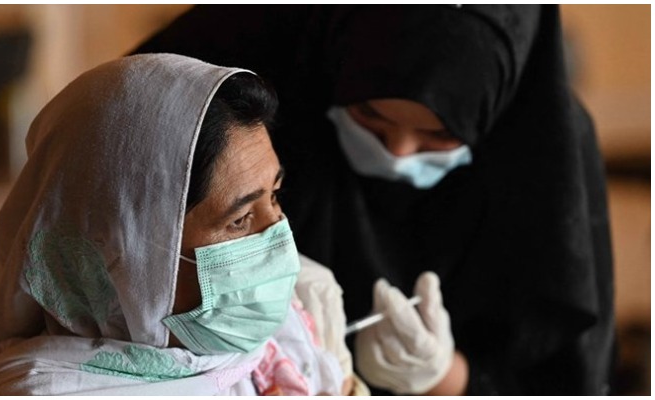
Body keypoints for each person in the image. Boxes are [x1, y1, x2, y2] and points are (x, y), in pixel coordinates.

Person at [132, 5, 617, 395]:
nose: (398, 152)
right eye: (369, 116)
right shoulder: (241, 56)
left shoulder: (544, 154)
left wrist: (445, 376)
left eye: (439, 135)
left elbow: (566, 378)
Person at [0, 53, 363, 395]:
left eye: (274, 197)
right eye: (240, 219)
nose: (279, 238)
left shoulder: (272, 343)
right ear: (122, 250)